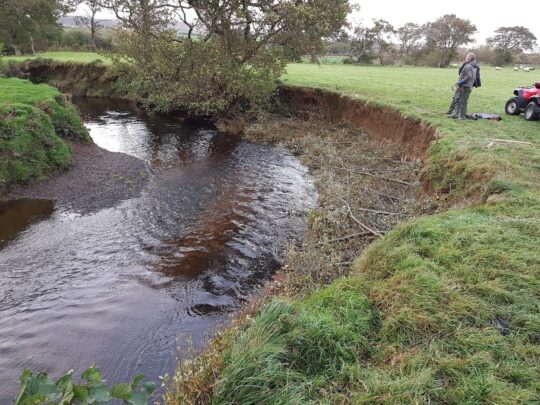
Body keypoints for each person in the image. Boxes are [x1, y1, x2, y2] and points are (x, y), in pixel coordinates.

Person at [447, 53, 479, 119]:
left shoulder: (468, 66)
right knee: (458, 99)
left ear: (469, 59)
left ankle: (461, 116)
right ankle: (456, 114)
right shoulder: (472, 65)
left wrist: (462, 81)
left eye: (466, 57)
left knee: (462, 102)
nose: (465, 58)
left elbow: (469, 76)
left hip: (465, 86)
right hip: (467, 86)